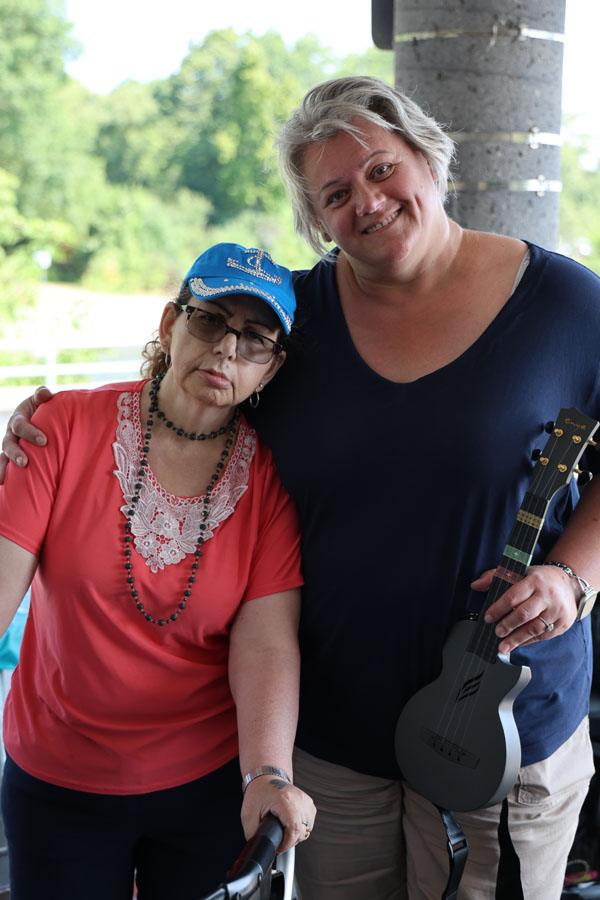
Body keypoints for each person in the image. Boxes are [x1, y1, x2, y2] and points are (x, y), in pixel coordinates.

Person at [4, 76, 600, 900]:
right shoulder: (294, 322)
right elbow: (187, 391)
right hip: (331, 745)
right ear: (317, 223)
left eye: (382, 169)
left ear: (429, 157)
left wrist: (574, 576)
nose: (368, 201)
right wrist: (53, 418)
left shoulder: (565, 302)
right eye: (335, 194)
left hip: (496, 733)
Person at [0, 241, 316, 900]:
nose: (226, 349)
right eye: (210, 320)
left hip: (205, 787)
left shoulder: (269, 483)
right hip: (58, 779)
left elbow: (265, 643)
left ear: (273, 367)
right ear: (171, 323)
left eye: (255, 339)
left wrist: (268, 773)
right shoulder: (61, 428)